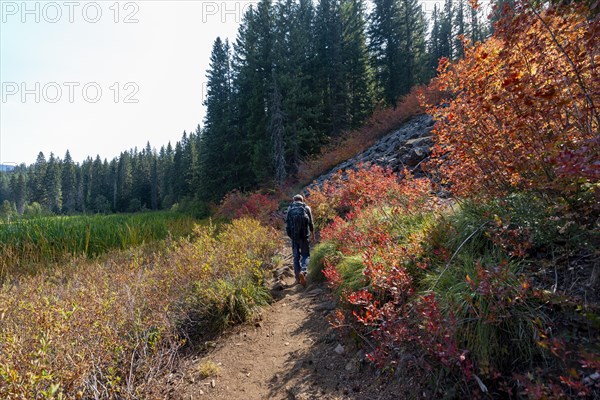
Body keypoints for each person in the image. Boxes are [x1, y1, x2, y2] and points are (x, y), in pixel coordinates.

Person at [285, 194, 315, 287]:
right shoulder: (306, 208)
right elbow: (311, 222)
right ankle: (303, 271)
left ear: (294, 200)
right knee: (306, 255)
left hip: (294, 237)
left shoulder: (290, 209)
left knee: (296, 257)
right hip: (304, 236)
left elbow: (287, 224)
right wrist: (312, 234)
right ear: (302, 200)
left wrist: (291, 236)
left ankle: (297, 279)